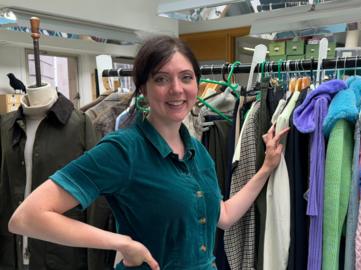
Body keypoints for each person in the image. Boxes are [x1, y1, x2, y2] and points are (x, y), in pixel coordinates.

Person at [8, 35, 289, 270]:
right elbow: (27, 217)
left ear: (197, 84)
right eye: (161, 79)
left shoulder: (198, 152)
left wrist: (266, 167)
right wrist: (121, 243)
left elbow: (224, 216)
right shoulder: (123, 150)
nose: (176, 89)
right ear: (142, 88)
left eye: (186, 77)